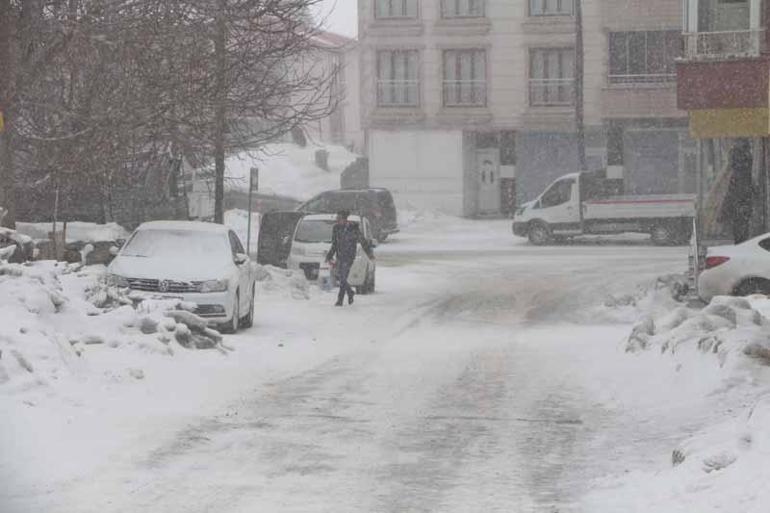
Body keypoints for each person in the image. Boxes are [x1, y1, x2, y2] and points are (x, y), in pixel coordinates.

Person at [325, 210, 374, 307]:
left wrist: (369, 254)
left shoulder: (353, 228)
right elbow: (334, 244)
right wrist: (329, 256)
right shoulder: (336, 228)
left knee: (343, 278)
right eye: (337, 219)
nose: (337, 221)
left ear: (344, 219)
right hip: (340, 256)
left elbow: (363, 241)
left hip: (349, 257)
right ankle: (349, 293)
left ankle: (340, 300)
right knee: (342, 278)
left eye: (339, 219)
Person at [720, 140, 753, 244]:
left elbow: (731, 194)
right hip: (742, 208)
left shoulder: (738, 175)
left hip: (739, 208)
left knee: (740, 231)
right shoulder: (744, 174)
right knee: (741, 231)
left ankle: (740, 241)